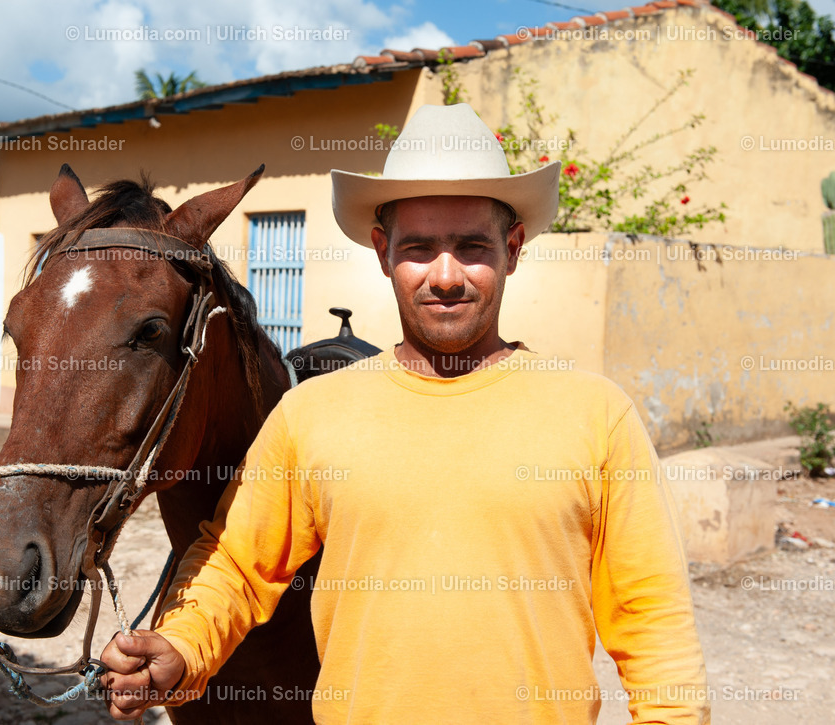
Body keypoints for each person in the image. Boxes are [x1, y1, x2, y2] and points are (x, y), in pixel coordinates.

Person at [100, 103, 710, 723]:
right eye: (419, 248)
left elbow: (653, 619)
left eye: (473, 246)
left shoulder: (595, 414)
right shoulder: (312, 415)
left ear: (513, 248)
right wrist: (180, 647)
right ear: (383, 251)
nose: (446, 276)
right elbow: (236, 561)